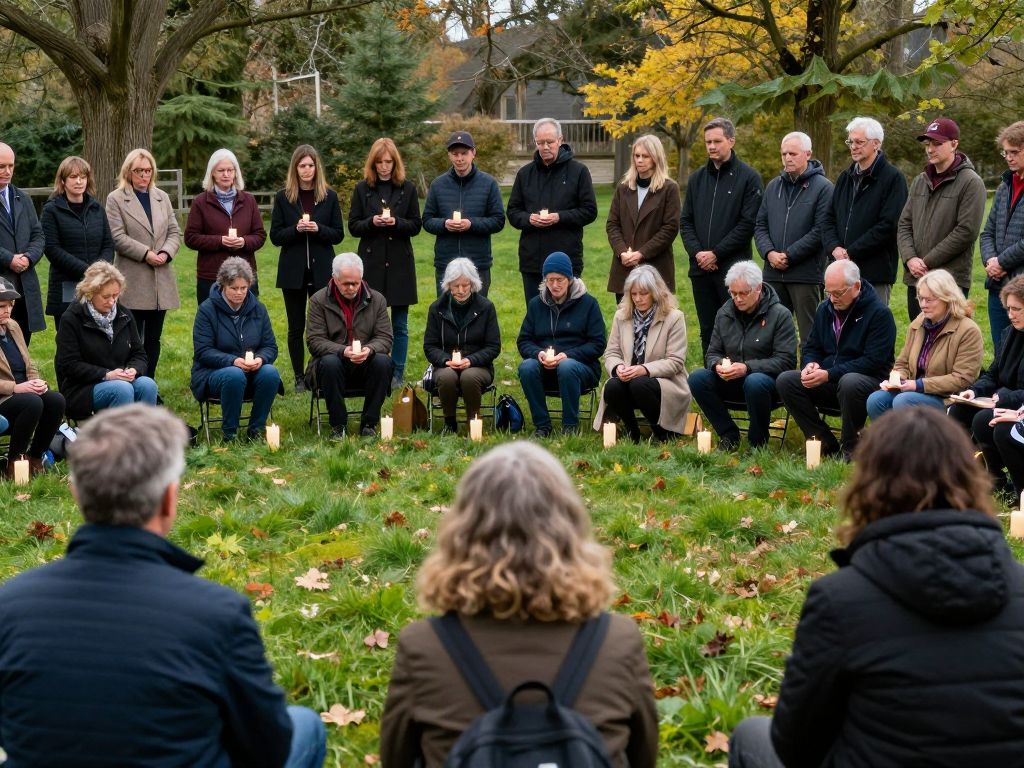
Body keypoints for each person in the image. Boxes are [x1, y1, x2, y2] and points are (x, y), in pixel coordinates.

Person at [0, 404, 327, 767]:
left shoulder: (8, 604)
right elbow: (268, 747)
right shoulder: (218, 613)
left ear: (76, 494)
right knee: (306, 725)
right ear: (170, 498)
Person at [729, 408, 1024, 768]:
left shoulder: (839, 600)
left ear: (870, 483)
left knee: (750, 736)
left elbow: (796, 748)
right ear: (971, 480)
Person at [380, 441, 658, 768]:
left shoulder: (423, 646)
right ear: (570, 528)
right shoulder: (619, 640)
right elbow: (643, 758)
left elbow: (395, 759)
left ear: (462, 531)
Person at [776, 260, 896, 461]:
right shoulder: (824, 309)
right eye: (828, 292)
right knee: (786, 380)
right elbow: (811, 346)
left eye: (838, 293)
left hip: (866, 383)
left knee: (850, 382)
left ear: (856, 286)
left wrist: (829, 374)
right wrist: (810, 364)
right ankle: (824, 443)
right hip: (829, 378)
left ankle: (851, 448)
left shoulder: (879, 314)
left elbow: (873, 361)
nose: (832, 299)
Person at [689, 261, 797, 451]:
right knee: (697, 378)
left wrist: (747, 367)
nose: (737, 299)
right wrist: (717, 364)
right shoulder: (724, 313)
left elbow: (786, 361)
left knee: (754, 381)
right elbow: (712, 353)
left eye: (743, 293)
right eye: (733, 293)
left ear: (758, 288)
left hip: (767, 385)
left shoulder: (780, 315)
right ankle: (728, 434)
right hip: (731, 380)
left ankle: (757, 442)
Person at [680, 117, 764, 355]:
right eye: (708, 142)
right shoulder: (697, 179)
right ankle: (711, 371)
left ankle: (737, 372)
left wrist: (716, 253)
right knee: (707, 328)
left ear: (731, 141)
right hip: (700, 269)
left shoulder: (749, 178)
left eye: (717, 141)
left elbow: (747, 224)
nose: (711, 146)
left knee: (736, 326)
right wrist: (698, 253)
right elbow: (686, 221)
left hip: (733, 269)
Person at [271, 144, 345, 393]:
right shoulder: (283, 197)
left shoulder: (329, 196)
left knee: (324, 324)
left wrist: (318, 229)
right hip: (293, 272)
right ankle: (299, 377)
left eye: (310, 165)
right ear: (295, 168)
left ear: (317, 167)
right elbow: (275, 236)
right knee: (295, 326)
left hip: (322, 270)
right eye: (302, 165)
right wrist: (295, 230)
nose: (306, 170)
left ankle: (322, 371)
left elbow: (338, 234)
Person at [349, 138, 421, 388]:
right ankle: (372, 367)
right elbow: (353, 226)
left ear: (395, 163)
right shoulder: (362, 189)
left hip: (400, 262)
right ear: (373, 163)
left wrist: (397, 223)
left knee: (400, 324)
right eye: (379, 162)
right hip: (372, 262)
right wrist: (372, 222)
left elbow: (416, 225)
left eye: (388, 162)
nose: (384, 167)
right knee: (368, 322)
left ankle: (397, 372)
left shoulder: (408, 188)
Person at [897, 117, 986, 319]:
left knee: (948, 336)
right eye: (927, 144)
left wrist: (927, 262)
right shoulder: (920, 181)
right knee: (919, 335)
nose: (930, 149)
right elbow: (904, 224)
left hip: (949, 281)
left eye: (937, 144)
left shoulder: (971, 182)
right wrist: (910, 259)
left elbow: (966, 231)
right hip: (917, 279)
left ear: (954, 144)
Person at [866, 269, 982, 420]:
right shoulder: (919, 322)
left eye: (929, 300)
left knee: (904, 401)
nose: (922, 305)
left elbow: (962, 379)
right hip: (913, 391)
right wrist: (897, 380)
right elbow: (902, 363)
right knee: (876, 400)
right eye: (920, 298)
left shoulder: (968, 330)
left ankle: (911, 436)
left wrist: (919, 385)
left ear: (947, 298)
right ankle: (889, 436)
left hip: (948, 399)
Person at [105, 148, 180, 380]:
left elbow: (174, 231)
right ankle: (132, 382)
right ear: (128, 171)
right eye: (139, 171)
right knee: (132, 339)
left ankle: (150, 384)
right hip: (133, 279)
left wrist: (166, 252)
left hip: (160, 280)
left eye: (148, 171)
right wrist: (146, 253)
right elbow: (117, 237)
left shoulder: (162, 197)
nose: (144, 175)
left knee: (154, 339)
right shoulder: (116, 198)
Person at [507, 117, 598, 304]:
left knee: (567, 313)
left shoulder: (578, 172)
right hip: (533, 261)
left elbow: (589, 210)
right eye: (540, 143)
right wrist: (529, 219)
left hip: (567, 258)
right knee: (535, 313)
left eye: (550, 142)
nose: (545, 147)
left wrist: (560, 217)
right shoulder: (525, 174)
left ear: (560, 140)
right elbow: (513, 212)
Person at [593, 265, 688, 442]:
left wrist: (643, 369)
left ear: (655, 293)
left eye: (643, 293)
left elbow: (675, 362)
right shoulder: (621, 315)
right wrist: (618, 367)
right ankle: (632, 432)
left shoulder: (674, 317)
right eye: (633, 294)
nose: (638, 299)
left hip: (665, 381)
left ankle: (662, 433)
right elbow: (611, 352)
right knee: (612, 386)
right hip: (629, 378)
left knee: (639, 384)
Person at [190, 257, 282, 442]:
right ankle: (229, 433)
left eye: (244, 288)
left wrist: (261, 359)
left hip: (252, 370)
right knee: (234, 374)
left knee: (271, 373)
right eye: (234, 288)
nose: (239, 293)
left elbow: (270, 346)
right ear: (223, 285)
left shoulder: (259, 309)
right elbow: (203, 351)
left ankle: (256, 430)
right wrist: (233, 361)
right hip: (213, 372)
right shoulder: (207, 310)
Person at [755, 131, 833, 343]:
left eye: (793, 153)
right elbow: (760, 225)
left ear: (808, 154)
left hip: (805, 275)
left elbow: (821, 229)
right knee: (771, 337)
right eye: (784, 154)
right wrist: (769, 253)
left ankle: (808, 366)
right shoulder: (773, 186)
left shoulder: (824, 188)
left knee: (809, 337)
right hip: (772, 274)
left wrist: (789, 255)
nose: (787, 158)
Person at [517, 251, 606, 438]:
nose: (555, 285)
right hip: (545, 368)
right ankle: (542, 425)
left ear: (570, 279)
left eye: (560, 280)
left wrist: (568, 355)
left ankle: (570, 426)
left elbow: (598, 343)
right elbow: (524, 340)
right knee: (527, 367)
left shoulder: (589, 304)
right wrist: (538, 354)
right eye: (550, 280)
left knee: (566, 366)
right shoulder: (536, 304)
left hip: (580, 368)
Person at [949, 275, 1024, 494]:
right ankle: (984, 476)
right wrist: (974, 391)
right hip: (1004, 399)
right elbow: (993, 373)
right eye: (1008, 309)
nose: (1010, 315)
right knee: (958, 410)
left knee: (984, 420)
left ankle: (1016, 488)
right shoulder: (1009, 334)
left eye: (1017, 309)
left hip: (1016, 403)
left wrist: (1005, 398)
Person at [822, 117, 908, 307]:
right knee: (838, 323)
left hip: (874, 273)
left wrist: (851, 252)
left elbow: (888, 225)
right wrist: (834, 248)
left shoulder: (893, 179)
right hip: (840, 271)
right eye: (850, 141)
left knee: (871, 323)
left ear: (876, 144)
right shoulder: (845, 178)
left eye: (859, 142)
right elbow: (828, 218)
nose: (853, 147)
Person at [305, 252, 394, 439]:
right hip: (332, 366)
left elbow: (385, 338)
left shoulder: (377, 300)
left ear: (361, 278)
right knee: (330, 363)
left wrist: (369, 350)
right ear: (335, 279)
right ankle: (338, 425)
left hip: (366, 363)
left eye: (356, 282)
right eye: (346, 283)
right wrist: (343, 351)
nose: (352, 288)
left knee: (383, 361)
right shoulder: (318, 301)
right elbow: (314, 341)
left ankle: (369, 423)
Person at [55, 261, 157, 420]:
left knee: (147, 385)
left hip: (120, 379)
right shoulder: (71, 319)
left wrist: (134, 369)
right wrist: (106, 375)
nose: (112, 301)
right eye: (106, 296)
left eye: (115, 295)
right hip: (82, 388)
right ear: (90, 293)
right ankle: (117, 436)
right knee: (121, 389)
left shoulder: (124, 314)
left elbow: (139, 354)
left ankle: (145, 434)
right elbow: (68, 365)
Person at [422, 131, 505, 296]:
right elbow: (427, 220)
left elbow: (498, 220)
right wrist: (444, 224)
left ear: (473, 153)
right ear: (449, 155)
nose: (459, 158)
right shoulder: (438, 185)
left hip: (477, 263)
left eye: (464, 153)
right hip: (446, 263)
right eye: (455, 154)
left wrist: (471, 224)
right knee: (446, 309)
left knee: (477, 310)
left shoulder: (488, 184)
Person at [423, 258, 500, 434]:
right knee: (447, 377)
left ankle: (474, 423)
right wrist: (445, 360)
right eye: (456, 286)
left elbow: (493, 346)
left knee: (469, 377)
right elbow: (430, 346)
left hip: (478, 365)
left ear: (473, 284)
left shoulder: (486, 307)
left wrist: (471, 360)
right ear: (448, 285)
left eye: (465, 285)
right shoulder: (436, 308)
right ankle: (450, 423)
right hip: (445, 365)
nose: (461, 290)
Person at [0, 278, 65, 479]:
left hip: (23, 392)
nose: (7, 311)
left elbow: (28, 363)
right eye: (1, 306)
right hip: (5, 397)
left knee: (55, 400)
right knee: (32, 403)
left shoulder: (12, 326)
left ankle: (36, 457)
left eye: (10, 306)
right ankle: (15, 464)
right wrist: (15, 388)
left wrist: (36, 381)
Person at [185, 148, 267, 305]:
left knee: (247, 319)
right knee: (212, 319)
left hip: (244, 275)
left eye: (230, 170)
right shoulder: (200, 202)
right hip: (212, 276)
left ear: (236, 173)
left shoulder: (249, 200)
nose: (226, 174)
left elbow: (260, 235)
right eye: (221, 170)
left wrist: (244, 242)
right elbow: (191, 238)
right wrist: (220, 241)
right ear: (212, 173)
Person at [41, 155, 114, 330]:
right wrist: (86, 270)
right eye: (73, 177)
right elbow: (52, 248)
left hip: (98, 284)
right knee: (69, 339)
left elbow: (108, 244)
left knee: (97, 339)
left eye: (83, 176)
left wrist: (99, 271)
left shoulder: (97, 209)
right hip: (66, 285)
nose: (79, 181)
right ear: (63, 181)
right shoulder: (51, 210)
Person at [605, 134, 680, 301]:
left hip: (655, 268)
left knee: (656, 317)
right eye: (636, 155)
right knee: (625, 316)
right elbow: (612, 224)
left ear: (655, 158)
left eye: (645, 156)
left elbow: (670, 228)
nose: (639, 160)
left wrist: (641, 253)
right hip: (625, 267)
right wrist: (622, 252)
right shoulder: (623, 188)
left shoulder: (669, 189)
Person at [980, 120, 1024, 347]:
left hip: (1021, 286)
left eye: (1014, 152)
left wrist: (1002, 262)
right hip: (998, 286)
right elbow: (987, 232)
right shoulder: (1005, 186)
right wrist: (991, 261)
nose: (1009, 157)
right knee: (1001, 351)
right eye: (1005, 152)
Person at [0, 142, 45, 346]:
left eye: (11, 166)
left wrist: (28, 257)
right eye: (1, 166)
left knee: (21, 348)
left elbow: (38, 235)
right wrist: (9, 259)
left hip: (25, 289)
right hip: (2, 285)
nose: (7, 171)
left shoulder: (23, 199)